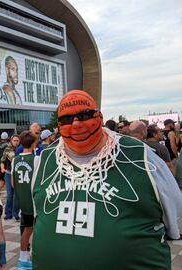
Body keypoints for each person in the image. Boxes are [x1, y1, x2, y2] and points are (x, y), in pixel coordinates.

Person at [31, 90, 182, 269]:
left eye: (84, 115)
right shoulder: (44, 160)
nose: (76, 124)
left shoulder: (140, 155)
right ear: (59, 124)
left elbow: (174, 211)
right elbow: (38, 213)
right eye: (67, 119)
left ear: (99, 117)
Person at [11, 131, 36, 269]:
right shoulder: (36, 159)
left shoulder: (15, 159)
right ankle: (35, 256)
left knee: (26, 230)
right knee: (35, 230)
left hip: (22, 200)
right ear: (34, 143)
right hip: (33, 201)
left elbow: (13, 184)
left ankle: (23, 258)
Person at [1, 134, 20, 220]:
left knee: (17, 195)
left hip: (18, 174)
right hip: (8, 173)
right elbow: (2, 160)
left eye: (17, 141)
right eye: (14, 140)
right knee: (9, 195)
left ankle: (15, 213)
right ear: (11, 141)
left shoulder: (21, 149)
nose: (16, 142)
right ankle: (8, 213)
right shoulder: (7, 149)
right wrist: (2, 168)